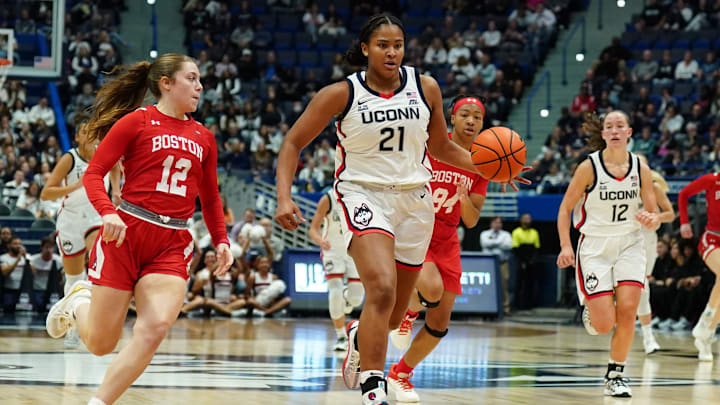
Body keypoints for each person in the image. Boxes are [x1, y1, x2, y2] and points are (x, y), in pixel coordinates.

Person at [274, 14, 527, 405]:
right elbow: (292, 143)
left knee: (392, 316)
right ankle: (373, 383)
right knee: (381, 287)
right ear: (365, 49)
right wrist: (284, 197)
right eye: (382, 45)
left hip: (415, 199)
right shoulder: (341, 94)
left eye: (398, 45)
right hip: (363, 194)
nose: (392, 52)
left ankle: (361, 335)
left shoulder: (425, 87)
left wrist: (492, 169)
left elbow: (441, 147)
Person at [43, 53, 232, 405]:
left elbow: (210, 197)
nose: (200, 86)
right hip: (125, 233)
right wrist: (106, 212)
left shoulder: (204, 137)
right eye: (191, 78)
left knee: (156, 327)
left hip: (172, 241)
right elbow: (94, 173)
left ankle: (98, 403)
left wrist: (221, 239)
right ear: (166, 83)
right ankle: (77, 301)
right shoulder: (136, 122)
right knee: (101, 344)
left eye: (199, 79)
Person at [385, 95, 491, 402]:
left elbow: (471, 221)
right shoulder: (430, 144)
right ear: (452, 119)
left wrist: (463, 198)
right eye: (465, 115)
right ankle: (407, 311)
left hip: (447, 239)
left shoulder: (483, 164)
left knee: (439, 323)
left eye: (477, 117)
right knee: (430, 289)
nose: (471, 121)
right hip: (418, 229)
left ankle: (400, 374)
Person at [557, 111, 658, 398]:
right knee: (604, 325)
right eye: (609, 127)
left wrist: (652, 219)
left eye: (620, 126)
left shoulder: (641, 168)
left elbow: (653, 212)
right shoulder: (589, 167)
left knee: (628, 312)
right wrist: (566, 245)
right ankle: (594, 310)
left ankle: (615, 375)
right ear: (602, 134)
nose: (614, 130)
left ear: (629, 132)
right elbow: (565, 209)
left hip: (629, 244)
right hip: (595, 248)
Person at [40, 112, 122, 348]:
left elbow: (116, 165)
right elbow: (46, 192)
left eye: (93, 131)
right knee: (74, 278)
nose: (90, 135)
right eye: (86, 131)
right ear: (77, 136)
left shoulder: (104, 153)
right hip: (70, 220)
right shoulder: (70, 159)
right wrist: (76, 186)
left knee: (99, 260)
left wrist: (115, 190)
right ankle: (73, 322)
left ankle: (98, 318)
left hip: (96, 217)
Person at [308, 189, 365, 351]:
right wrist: (320, 241)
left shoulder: (361, 194)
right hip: (332, 251)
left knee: (356, 300)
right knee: (335, 291)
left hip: (353, 250)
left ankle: (346, 298)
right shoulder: (328, 198)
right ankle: (341, 336)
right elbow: (312, 229)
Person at [678, 171, 720, 361]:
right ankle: (707, 318)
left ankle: (706, 336)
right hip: (711, 238)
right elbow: (684, 194)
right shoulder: (712, 180)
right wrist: (685, 223)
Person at [635, 155, 675, 355]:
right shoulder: (618, 187)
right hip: (622, 239)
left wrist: (655, 217)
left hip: (647, 240)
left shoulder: (654, 188)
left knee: (642, 287)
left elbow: (670, 213)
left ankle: (648, 336)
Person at [480, 216, 513, 314]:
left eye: (499, 223)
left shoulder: (506, 234)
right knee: (487, 285)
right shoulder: (484, 234)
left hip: (502, 263)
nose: (497, 225)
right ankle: (485, 307)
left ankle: (505, 308)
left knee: (504, 286)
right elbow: (485, 244)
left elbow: (509, 245)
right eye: (495, 222)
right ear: (491, 224)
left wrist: (492, 243)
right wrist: (499, 242)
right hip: (487, 264)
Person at [512, 213, 541, 310]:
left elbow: (536, 248)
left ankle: (529, 305)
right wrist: (523, 261)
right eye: (525, 218)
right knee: (520, 283)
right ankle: (518, 304)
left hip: (531, 261)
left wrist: (532, 260)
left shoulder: (534, 232)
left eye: (529, 218)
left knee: (530, 283)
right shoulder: (516, 232)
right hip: (521, 260)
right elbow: (516, 248)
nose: (527, 221)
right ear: (521, 220)